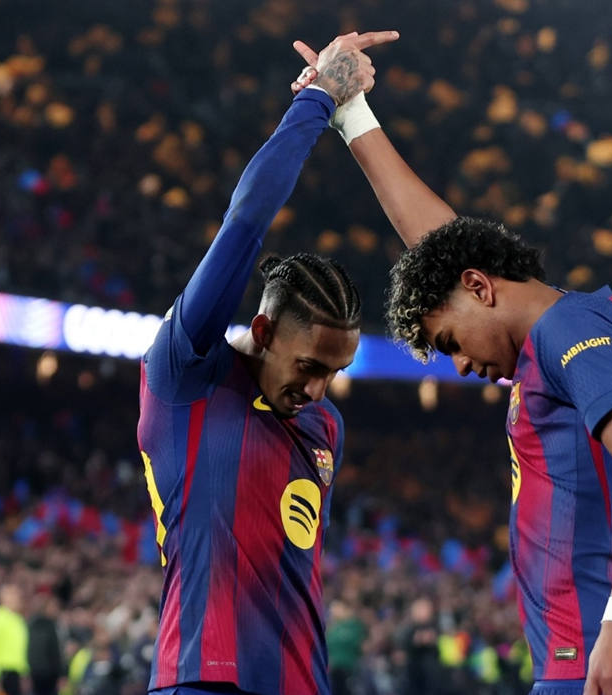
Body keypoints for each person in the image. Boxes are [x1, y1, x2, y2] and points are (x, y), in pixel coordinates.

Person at [292, 42, 612, 695]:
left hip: (603, 657)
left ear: (480, 287)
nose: (459, 365)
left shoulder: (568, 331)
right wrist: (351, 112)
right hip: (583, 655)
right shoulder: (550, 330)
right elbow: (438, 246)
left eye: (449, 341)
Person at [137, 30, 398, 695]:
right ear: (262, 329)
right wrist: (320, 99)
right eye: (308, 365)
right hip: (202, 681)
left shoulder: (325, 427)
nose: (318, 389)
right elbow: (246, 222)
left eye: (334, 373)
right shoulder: (187, 374)